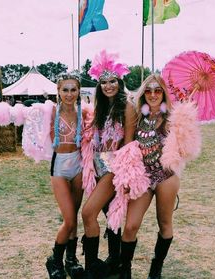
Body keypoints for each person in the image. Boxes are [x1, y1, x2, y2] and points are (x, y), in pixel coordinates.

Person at [115, 74, 201, 279]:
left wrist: (184, 118)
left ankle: (156, 267)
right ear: (143, 93)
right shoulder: (137, 115)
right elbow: (127, 145)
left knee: (164, 224)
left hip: (166, 177)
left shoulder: (173, 117)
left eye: (158, 90)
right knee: (131, 226)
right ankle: (124, 270)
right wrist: (127, 175)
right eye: (148, 90)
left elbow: (185, 148)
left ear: (163, 93)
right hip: (142, 178)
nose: (153, 94)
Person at [80, 50, 137, 279]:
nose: (108, 85)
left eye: (112, 81)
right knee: (109, 214)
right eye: (103, 82)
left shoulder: (128, 107)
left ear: (119, 81)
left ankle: (92, 268)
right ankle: (116, 262)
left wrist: (123, 176)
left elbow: (129, 144)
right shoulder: (100, 108)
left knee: (87, 213)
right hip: (96, 167)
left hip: (113, 169)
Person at [46, 71, 84, 279]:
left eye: (73, 90)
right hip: (59, 166)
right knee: (68, 220)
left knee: (74, 216)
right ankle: (54, 260)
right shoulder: (50, 111)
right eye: (65, 90)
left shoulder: (84, 112)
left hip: (78, 165)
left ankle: (71, 260)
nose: (69, 94)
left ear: (78, 91)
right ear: (58, 91)